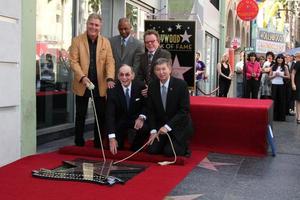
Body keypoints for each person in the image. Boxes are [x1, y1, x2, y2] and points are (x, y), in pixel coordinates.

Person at [69, 13, 115, 147]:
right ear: (87, 24)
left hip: (100, 84)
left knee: (100, 115)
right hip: (82, 83)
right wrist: (82, 77)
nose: (93, 27)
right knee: (80, 114)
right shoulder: (77, 40)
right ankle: (78, 142)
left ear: (100, 27)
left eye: (96, 25)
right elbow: (73, 61)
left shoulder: (106, 42)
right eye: (91, 24)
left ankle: (98, 142)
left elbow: (110, 62)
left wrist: (110, 77)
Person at [147, 58, 193, 157]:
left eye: (164, 69)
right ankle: (165, 142)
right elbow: (150, 110)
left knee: (170, 152)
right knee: (152, 150)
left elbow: (184, 110)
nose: (161, 72)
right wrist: (153, 131)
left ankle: (184, 146)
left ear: (170, 69)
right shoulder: (152, 86)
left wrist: (167, 127)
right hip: (161, 127)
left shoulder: (181, 85)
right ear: (154, 71)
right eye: (158, 69)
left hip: (178, 125)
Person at [106, 64, 148, 155]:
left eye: (127, 74)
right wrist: (112, 138)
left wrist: (141, 117)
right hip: (120, 121)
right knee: (116, 149)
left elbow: (146, 105)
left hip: (135, 119)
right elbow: (110, 115)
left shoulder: (141, 86)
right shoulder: (112, 90)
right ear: (117, 76)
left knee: (145, 127)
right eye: (121, 75)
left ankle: (135, 147)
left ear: (132, 76)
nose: (124, 77)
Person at [136, 29, 171, 96]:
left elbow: (164, 74)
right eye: (147, 42)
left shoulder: (165, 54)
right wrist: (144, 87)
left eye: (152, 41)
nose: (149, 43)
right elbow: (139, 76)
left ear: (158, 41)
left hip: (160, 92)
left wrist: (151, 89)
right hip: (145, 93)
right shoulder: (142, 57)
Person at [269, 54, 290, 121]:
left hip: (282, 85)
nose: (280, 59)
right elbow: (269, 77)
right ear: (276, 59)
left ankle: (281, 117)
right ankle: (273, 117)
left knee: (281, 101)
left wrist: (281, 76)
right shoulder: (273, 66)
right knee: (274, 100)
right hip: (274, 85)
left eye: (281, 58)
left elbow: (288, 77)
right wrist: (274, 75)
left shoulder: (285, 67)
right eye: (278, 58)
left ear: (283, 59)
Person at [291, 52, 300, 123]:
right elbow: (293, 73)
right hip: (298, 83)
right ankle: (298, 117)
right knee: (298, 101)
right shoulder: (298, 63)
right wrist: (293, 83)